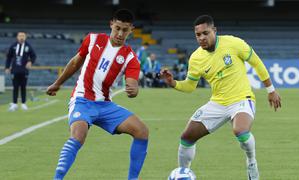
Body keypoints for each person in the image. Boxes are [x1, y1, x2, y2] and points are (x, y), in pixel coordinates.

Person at [160, 15, 281, 180]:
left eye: (205, 33)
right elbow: (190, 86)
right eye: (198, 35)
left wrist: (271, 90)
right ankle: (183, 174)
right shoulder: (196, 58)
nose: (202, 38)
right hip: (217, 103)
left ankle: (251, 162)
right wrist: (173, 82)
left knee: (240, 131)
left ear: (214, 31)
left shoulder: (233, 43)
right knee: (186, 137)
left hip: (242, 99)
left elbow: (256, 62)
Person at [46, 9, 149, 180]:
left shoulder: (130, 57)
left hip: (105, 105)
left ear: (131, 29)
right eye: (117, 28)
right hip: (82, 100)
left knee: (142, 131)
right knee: (78, 135)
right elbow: (75, 62)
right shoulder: (93, 39)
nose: (120, 33)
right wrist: (58, 83)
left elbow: (132, 83)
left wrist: (133, 90)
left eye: (125, 30)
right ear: (111, 24)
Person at [5, 31, 36, 111]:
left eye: (23, 36)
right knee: (15, 87)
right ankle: (14, 104)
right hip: (15, 70)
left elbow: (33, 56)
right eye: (20, 36)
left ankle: (23, 104)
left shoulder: (28, 46)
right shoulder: (13, 46)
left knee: (23, 87)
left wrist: (30, 62)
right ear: (17, 37)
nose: (21, 37)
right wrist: (7, 67)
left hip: (24, 70)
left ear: (25, 37)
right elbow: (8, 57)